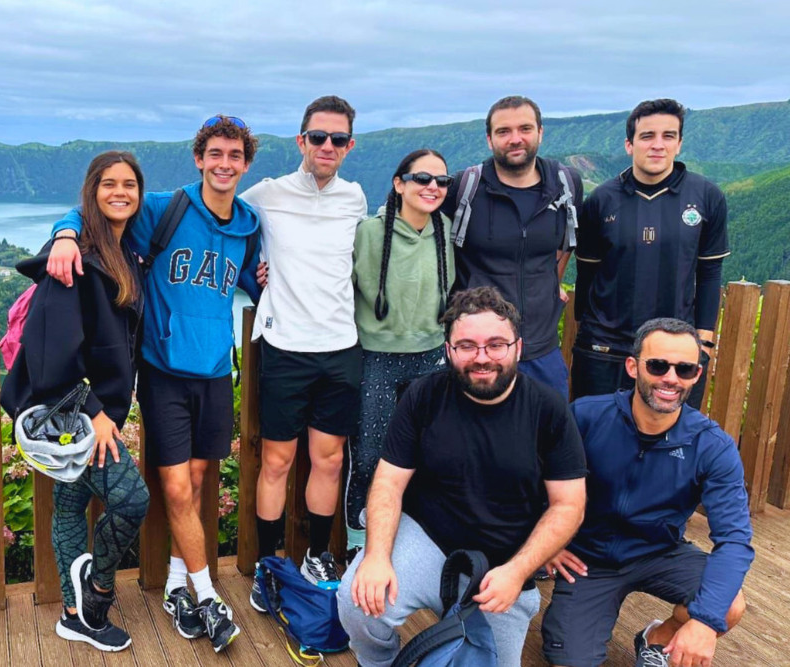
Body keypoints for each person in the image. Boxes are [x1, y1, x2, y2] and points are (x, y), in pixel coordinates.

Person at [44, 116, 263, 652]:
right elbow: (98, 210)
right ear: (199, 158)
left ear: (246, 163)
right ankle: (206, 594)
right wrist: (65, 233)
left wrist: (257, 279)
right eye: (215, 153)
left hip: (215, 372)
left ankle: (171, 585)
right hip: (164, 372)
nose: (224, 163)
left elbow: (239, 274)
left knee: (197, 477)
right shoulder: (167, 208)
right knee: (172, 488)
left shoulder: (250, 223)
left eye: (234, 155)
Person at [337, 286, 587, 667]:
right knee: (357, 601)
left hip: (504, 560)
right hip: (428, 538)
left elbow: (568, 504)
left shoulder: (548, 408)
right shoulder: (423, 396)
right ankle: (380, 664)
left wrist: (518, 572)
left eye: (496, 345)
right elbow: (388, 482)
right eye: (467, 346)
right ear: (449, 351)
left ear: (518, 347)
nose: (482, 358)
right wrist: (375, 556)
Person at [0, 150, 151, 652]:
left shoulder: (123, 252)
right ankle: (97, 595)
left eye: (129, 184)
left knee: (70, 504)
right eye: (108, 184)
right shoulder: (73, 261)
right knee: (132, 500)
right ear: (91, 191)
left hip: (94, 412)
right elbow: (48, 359)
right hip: (77, 416)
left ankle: (73, 615)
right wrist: (96, 414)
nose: (120, 193)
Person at [542, 317, 753, 667]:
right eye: (657, 365)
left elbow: (734, 540)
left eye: (685, 369)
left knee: (728, 605)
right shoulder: (586, 416)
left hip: (660, 552)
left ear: (696, 376)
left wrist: (704, 622)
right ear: (632, 366)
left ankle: (657, 639)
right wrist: (550, 543)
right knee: (570, 659)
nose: (670, 378)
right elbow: (533, 480)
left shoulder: (711, 445)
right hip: (586, 559)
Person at [240, 95, 368, 606]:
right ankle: (269, 566)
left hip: (340, 346)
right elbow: (220, 217)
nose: (327, 146)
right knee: (276, 461)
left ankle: (316, 554)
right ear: (301, 141)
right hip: (286, 346)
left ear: (350, 146)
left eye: (338, 139)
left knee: (330, 460)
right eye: (318, 137)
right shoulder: (267, 194)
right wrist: (252, 275)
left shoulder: (355, 198)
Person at [572, 99, 729, 409]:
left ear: (680, 143)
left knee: (667, 446)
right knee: (592, 441)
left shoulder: (707, 197)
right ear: (630, 145)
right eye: (647, 136)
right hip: (605, 351)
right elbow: (587, 274)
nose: (658, 145)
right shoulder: (601, 200)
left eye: (668, 136)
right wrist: (587, 332)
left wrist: (704, 343)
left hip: (673, 357)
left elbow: (709, 274)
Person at [345, 148, 455, 559]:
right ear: (399, 183)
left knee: (423, 454)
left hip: (431, 358)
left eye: (441, 181)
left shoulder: (444, 230)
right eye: (422, 179)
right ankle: (359, 542)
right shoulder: (369, 233)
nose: (432, 187)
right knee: (370, 455)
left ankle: (408, 539)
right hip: (377, 357)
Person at [440, 95, 583, 399]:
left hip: (541, 350)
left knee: (546, 441)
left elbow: (564, 242)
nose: (515, 139)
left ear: (540, 133)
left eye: (525, 129)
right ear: (489, 139)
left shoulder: (566, 185)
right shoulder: (465, 189)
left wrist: (552, 282)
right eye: (504, 131)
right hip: (478, 354)